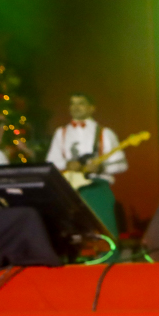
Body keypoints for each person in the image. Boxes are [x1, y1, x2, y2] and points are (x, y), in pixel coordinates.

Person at [47, 92, 126, 234]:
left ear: (91, 108)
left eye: (81, 103)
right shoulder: (61, 133)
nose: (75, 107)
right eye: (72, 103)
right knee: (73, 232)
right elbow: (51, 162)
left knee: (105, 230)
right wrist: (67, 164)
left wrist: (101, 168)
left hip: (97, 187)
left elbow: (121, 165)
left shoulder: (105, 133)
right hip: (69, 190)